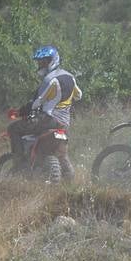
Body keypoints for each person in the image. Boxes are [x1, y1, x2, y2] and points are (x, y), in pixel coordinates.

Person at [7, 45, 82, 182]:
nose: (41, 65)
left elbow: (35, 103)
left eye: (44, 62)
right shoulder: (70, 77)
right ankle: (71, 184)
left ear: (53, 61)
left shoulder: (50, 80)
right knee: (62, 155)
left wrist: (19, 112)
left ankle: (18, 165)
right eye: (39, 62)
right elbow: (78, 96)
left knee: (13, 128)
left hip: (47, 120)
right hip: (64, 123)